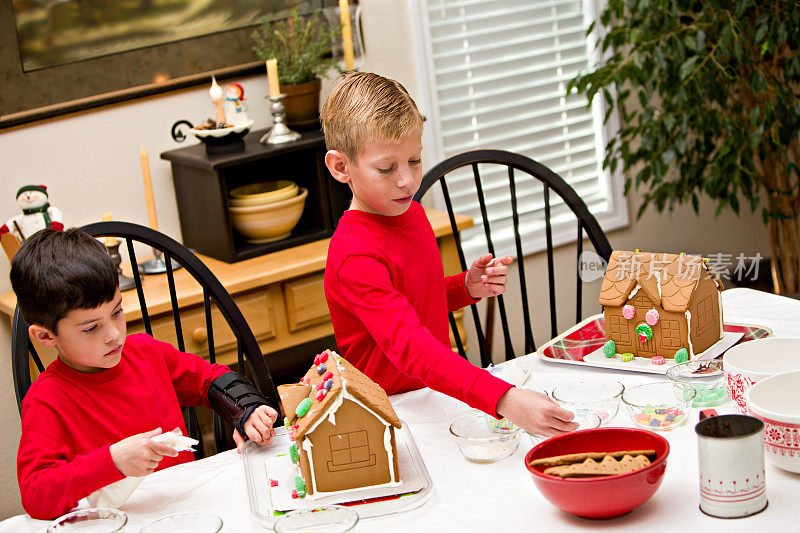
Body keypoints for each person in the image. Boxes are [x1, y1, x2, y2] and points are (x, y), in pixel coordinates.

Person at [320, 72, 577, 437]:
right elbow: (409, 345)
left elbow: (414, 299)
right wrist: (504, 398)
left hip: (435, 392)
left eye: (414, 160)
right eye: (386, 168)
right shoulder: (354, 256)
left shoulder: (412, 213)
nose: (407, 180)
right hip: (391, 415)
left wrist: (465, 289)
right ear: (341, 167)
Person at [10, 228, 278, 519]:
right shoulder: (47, 398)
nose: (114, 335)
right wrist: (112, 462)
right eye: (90, 328)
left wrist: (246, 408)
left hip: (192, 511)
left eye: (117, 312)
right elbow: (37, 494)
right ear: (46, 337)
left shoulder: (145, 352)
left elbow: (210, 378)